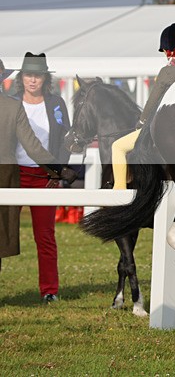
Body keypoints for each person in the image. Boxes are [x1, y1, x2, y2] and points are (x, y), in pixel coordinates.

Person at [7, 54, 76, 300]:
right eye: (28, 75)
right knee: (2, 233)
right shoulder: (11, 102)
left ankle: (49, 291)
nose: (32, 80)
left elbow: (65, 141)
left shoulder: (56, 103)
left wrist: (58, 173)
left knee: (45, 236)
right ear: (21, 77)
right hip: (14, 176)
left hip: (45, 177)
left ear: (45, 78)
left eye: (37, 75)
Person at [111, 23, 175, 190]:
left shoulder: (167, 72)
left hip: (162, 130)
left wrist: (141, 123)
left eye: (165, 51)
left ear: (172, 51)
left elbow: (153, 102)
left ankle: (119, 189)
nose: (164, 54)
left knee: (118, 147)